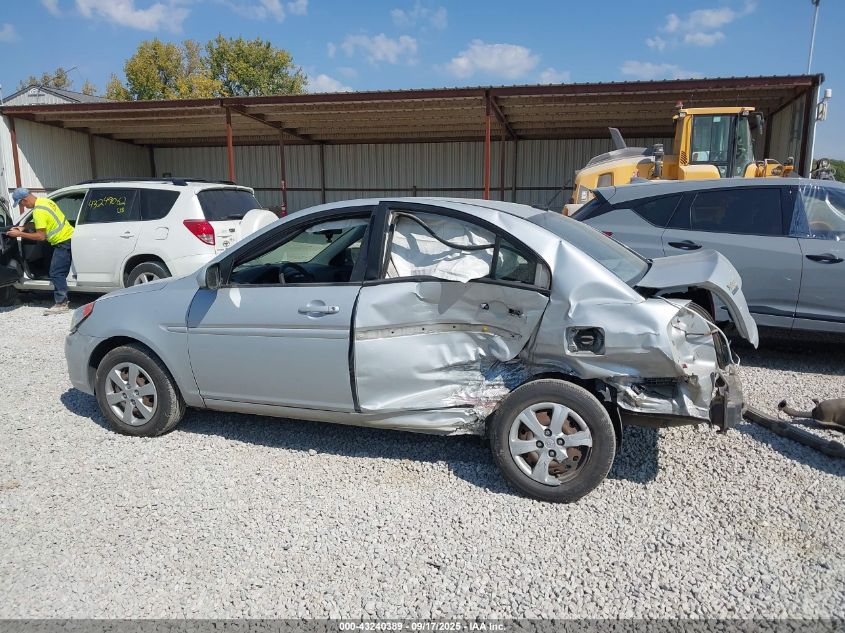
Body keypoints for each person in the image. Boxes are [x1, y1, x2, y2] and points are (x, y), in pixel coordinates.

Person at [5, 188, 74, 315]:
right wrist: (24, 226)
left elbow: (40, 236)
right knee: (56, 269)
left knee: (56, 272)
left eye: (21, 204)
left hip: (62, 242)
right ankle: (61, 301)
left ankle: (61, 304)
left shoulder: (38, 211)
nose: (24, 207)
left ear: (24, 200)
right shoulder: (45, 201)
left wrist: (19, 234)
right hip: (67, 236)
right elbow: (41, 224)